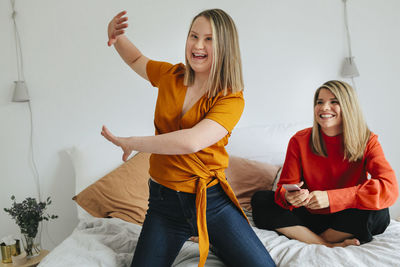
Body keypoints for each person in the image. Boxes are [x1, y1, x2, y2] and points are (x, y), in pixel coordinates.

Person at [102, 9, 275, 267]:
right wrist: (117, 36)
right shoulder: (170, 76)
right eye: (193, 36)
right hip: (165, 204)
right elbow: (136, 59)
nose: (197, 45)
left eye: (208, 39)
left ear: (225, 47)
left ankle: (218, 239)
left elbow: (191, 141)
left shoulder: (230, 98)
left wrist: (132, 142)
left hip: (212, 203)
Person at [251, 80, 398, 247]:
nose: (324, 107)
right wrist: (290, 196)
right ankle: (326, 243)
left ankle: (316, 238)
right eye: (319, 102)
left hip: (346, 218)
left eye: (334, 102)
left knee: (380, 210)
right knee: (261, 199)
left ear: (348, 106)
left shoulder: (368, 141)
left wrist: (331, 198)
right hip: (309, 215)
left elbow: (390, 187)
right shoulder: (299, 140)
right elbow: (285, 187)